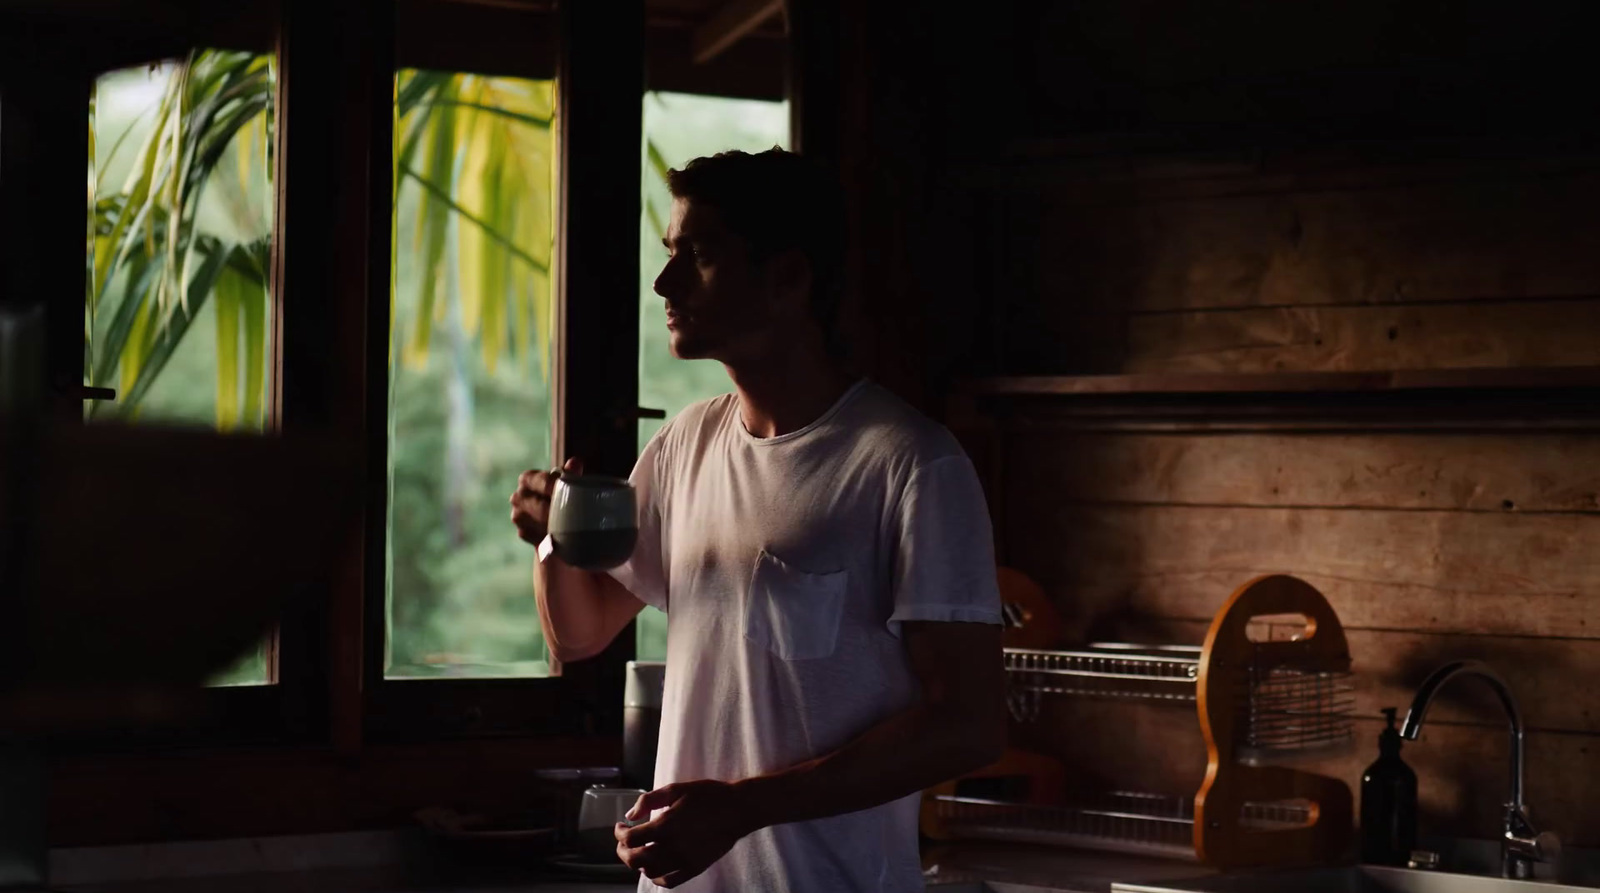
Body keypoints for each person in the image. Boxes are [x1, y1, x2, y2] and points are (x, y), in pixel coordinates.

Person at [509, 148, 1004, 892]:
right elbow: (581, 632)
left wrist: (742, 809)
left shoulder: (910, 463)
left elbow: (967, 724)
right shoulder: (687, 442)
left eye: (698, 255)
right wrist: (553, 539)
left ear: (789, 277)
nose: (664, 282)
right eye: (670, 254)